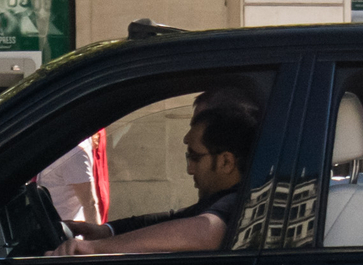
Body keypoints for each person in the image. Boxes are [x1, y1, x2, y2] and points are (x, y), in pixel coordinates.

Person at [57, 102, 257, 255]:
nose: (189, 169)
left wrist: (94, 249)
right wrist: (104, 231)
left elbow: (206, 231)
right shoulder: (219, 200)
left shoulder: (240, 200)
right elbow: (172, 220)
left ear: (226, 162)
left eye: (195, 157)